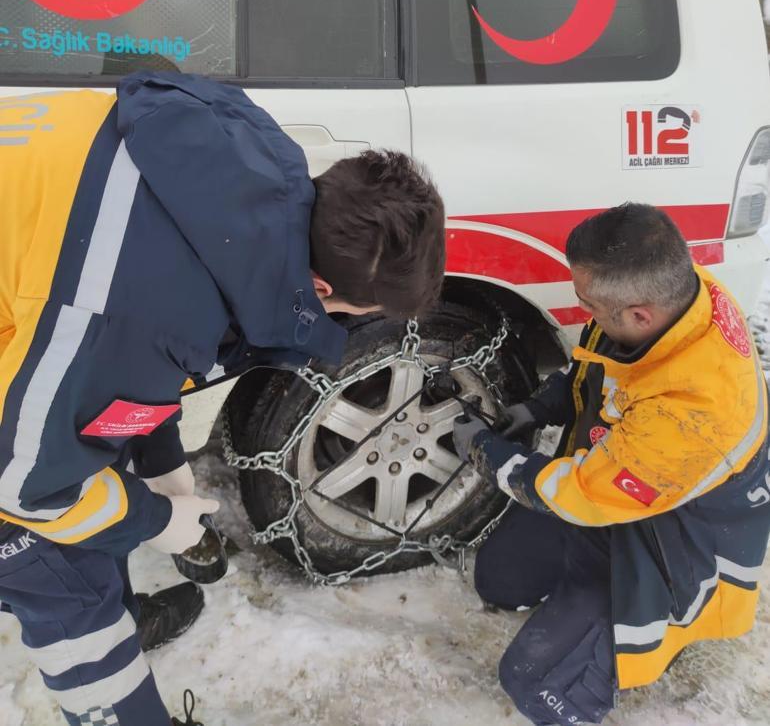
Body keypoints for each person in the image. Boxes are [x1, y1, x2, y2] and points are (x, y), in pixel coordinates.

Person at [0, 70, 445, 726]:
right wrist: (156, 519)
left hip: (38, 309)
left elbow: (115, 354)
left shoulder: (235, 181)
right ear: (322, 290)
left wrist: (159, 463)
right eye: (358, 311)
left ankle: (121, 615)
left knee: (92, 474)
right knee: (54, 566)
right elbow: (27, 489)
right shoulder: (134, 306)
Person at [453, 203, 770, 726]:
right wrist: (540, 406)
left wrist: (492, 456)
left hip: (675, 542)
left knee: (532, 681)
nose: (583, 311)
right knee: (500, 582)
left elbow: (578, 494)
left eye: (588, 303)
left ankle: (652, 640)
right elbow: (605, 371)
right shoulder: (683, 294)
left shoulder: (690, 412)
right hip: (627, 482)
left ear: (640, 314)